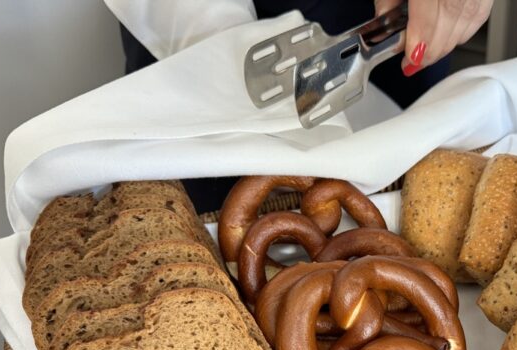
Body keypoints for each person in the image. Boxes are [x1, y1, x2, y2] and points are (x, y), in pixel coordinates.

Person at [118, 0, 493, 211]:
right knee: (193, 220)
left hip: (384, 17)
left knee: (404, 198)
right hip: (188, 20)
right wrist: (219, 51)